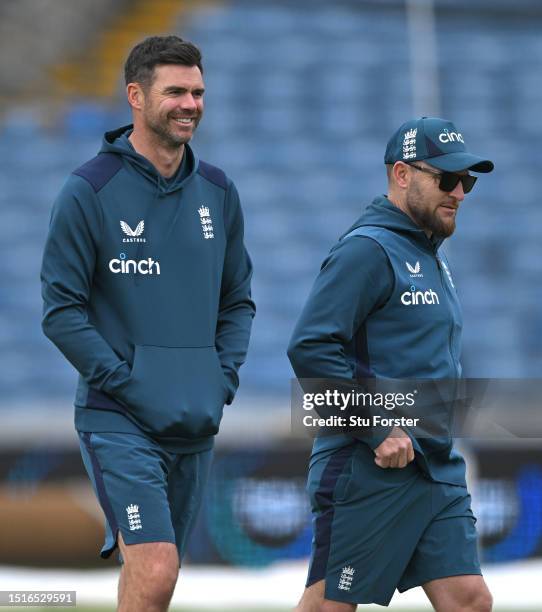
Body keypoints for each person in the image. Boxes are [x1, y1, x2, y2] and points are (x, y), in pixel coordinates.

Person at [41, 35, 255, 612]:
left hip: (194, 422)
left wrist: (221, 376)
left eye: (198, 92)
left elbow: (237, 302)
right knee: (156, 566)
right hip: (119, 420)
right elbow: (60, 312)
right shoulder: (89, 190)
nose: (190, 104)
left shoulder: (219, 191)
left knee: (154, 578)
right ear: (136, 96)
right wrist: (125, 382)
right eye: (176, 92)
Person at [288, 117, 494, 611]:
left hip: (436, 467)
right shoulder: (367, 249)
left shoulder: (430, 254)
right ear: (402, 174)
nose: (459, 192)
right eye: (446, 179)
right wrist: (378, 428)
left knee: (470, 599)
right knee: (329, 606)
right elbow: (311, 348)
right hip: (370, 465)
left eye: (467, 181)